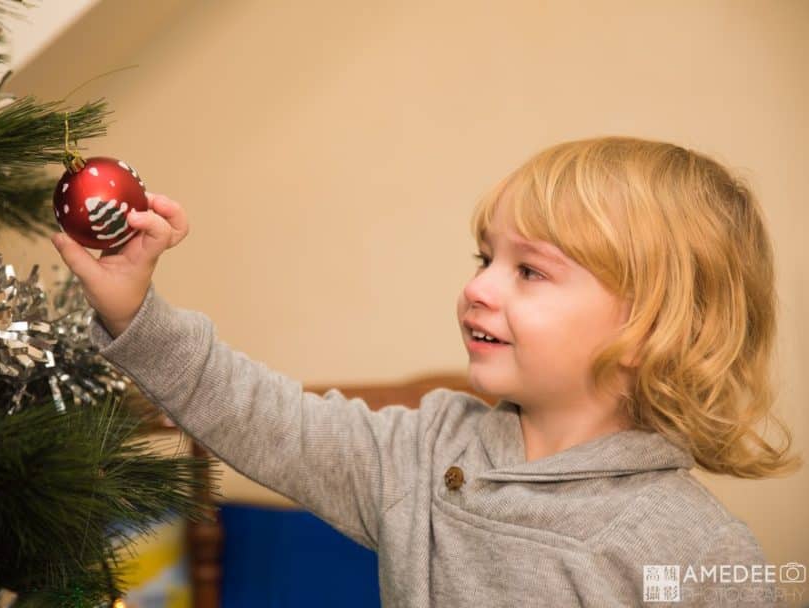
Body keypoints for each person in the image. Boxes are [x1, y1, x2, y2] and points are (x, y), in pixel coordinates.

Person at [51, 136, 800, 607]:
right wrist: (133, 308)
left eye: (530, 272)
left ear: (649, 330)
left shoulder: (697, 553)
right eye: (486, 259)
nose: (479, 287)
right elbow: (257, 415)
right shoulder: (426, 453)